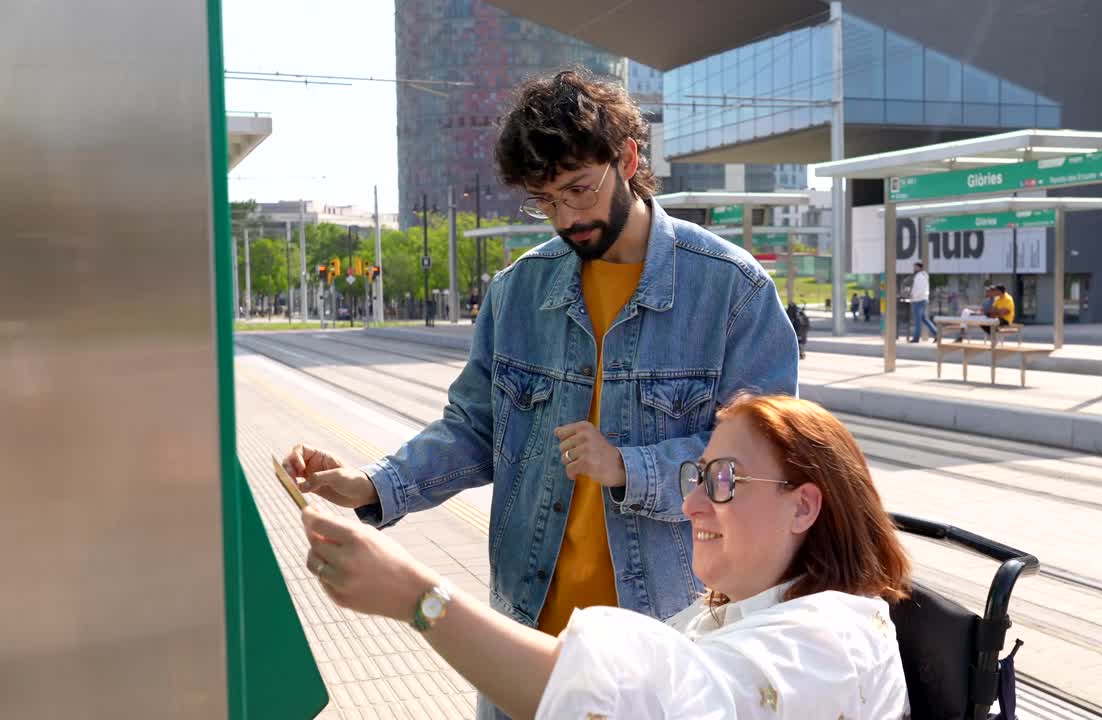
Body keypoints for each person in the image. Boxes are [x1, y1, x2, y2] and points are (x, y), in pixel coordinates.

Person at [284, 69, 799, 719]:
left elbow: (766, 472)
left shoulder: (732, 293)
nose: (568, 218)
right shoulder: (519, 291)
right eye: (546, 200)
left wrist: (629, 467)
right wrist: (371, 484)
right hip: (525, 636)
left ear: (629, 160)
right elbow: (473, 429)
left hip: (664, 647)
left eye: (580, 189)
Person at [298, 394, 912, 719]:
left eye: (723, 478)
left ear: (804, 508)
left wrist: (416, 597)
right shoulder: (725, 615)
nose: (693, 503)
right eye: (695, 476)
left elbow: (639, 702)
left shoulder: (832, 643)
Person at [908, 261, 937, 343]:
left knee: (918, 321)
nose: (913, 268)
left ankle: (916, 338)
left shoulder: (919, 276)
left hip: (918, 300)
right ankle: (937, 334)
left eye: (915, 267)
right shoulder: (922, 276)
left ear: (919, 268)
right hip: (922, 299)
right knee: (925, 319)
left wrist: (913, 296)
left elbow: (919, 289)